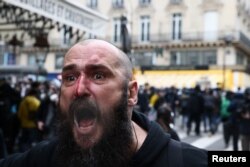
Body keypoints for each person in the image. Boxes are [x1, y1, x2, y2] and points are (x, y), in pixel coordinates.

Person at [0, 39, 207, 167]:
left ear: (131, 93)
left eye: (98, 75)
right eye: (70, 78)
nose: (79, 89)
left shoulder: (190, 161)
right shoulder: (46, 158)